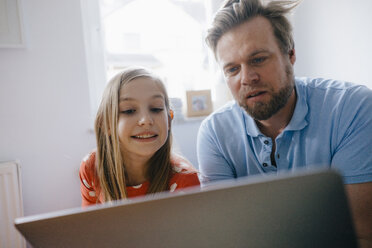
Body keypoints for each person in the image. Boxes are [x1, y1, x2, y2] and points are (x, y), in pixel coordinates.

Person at [197, 0, 372, 246]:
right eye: (233, 69)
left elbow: (361, 236)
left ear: (290, 55)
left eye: (258, 59)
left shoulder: (352, 108)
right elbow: (224, 238)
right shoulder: (214, 133)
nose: (247, 78)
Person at [80, 67, 200, 206]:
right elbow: (91, 225)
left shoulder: (186, 179)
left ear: (169, 119)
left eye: (156, 109)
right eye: (129, 110)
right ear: (106, 123)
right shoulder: (92, 166)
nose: (146, 120)